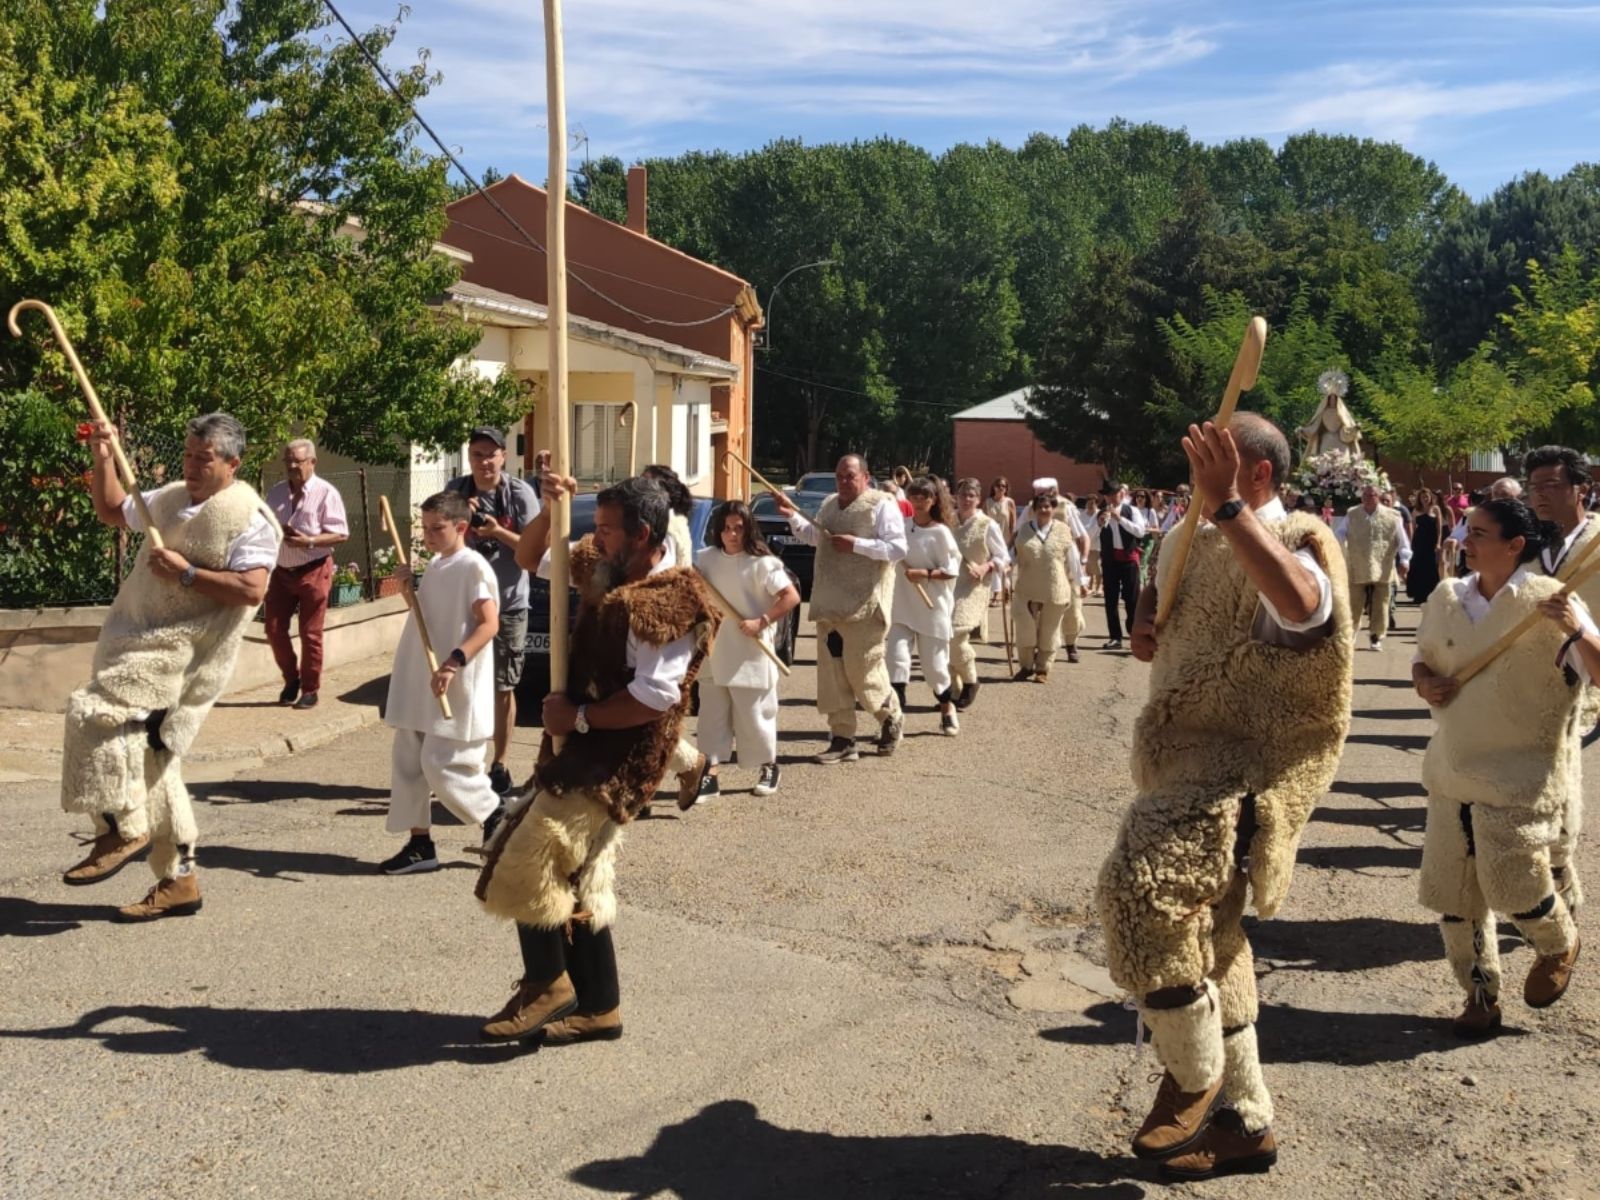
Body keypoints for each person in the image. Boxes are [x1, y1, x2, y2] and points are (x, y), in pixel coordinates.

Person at [1097, 413, 1352, 1181]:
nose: (1193, 476)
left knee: (1140, 893)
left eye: (1213, 464)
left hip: (1247, 772)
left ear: (1259, 477)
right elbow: (1171, 625)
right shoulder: (1186, 536)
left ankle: (1194, 1074)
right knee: (1216, 941)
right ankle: (1245, 1123)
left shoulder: (1298, 536)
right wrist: (1151, 623)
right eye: (1195, 463)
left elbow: (1308, 612)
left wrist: (1231, 509)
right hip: (1180, 759)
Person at [477, 474, 717, 1045]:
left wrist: (578, 719)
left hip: (619, 757)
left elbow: (656, 699)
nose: (597, 538)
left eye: (607, 530)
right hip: (580, 744)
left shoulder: (670, 602)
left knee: (527, 856)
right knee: (581, 878)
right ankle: (601, 1006)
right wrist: (552, 506)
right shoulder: (610, 564)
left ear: (643, 536)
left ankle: (548, 985)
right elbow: (533, 555)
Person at [61, 413, 281, 920]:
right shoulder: (171, 497)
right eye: (187, 455)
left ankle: (120, 825)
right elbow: (113, 510)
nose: (192, 466)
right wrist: (102, 456)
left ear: (232, 463)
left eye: (203, 459)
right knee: (158, 767)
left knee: (95, 715)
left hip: (183, 657)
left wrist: (187, 574)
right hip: (134, 641)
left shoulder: (249, 516)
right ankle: (180, 881)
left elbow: (253, 589)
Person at [1413, 499, 1589, 1036]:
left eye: (1481, 533)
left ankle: (1560, 943)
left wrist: (1579, 631)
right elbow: (1423, 658)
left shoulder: (1551, 601)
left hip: (1519, 777)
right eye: (1468, 529)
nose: (1466, 539)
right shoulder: (1446, 596)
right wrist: (1423, 681)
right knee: (1453, 898)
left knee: (1514, 885)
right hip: (1451, 769)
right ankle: (1479, 996)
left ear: (1515, 546)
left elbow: (1599, 673)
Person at [378, 491, 504, 875]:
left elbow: (489, 624)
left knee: (443, 763)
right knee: (409, 762)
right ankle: (420, 845)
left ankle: (497, 817)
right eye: (424, 528)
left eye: (437, 528)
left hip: (454, 680)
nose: (429, 535)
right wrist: (405, 589)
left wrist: (454, 662)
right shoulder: (436, 565)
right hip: (420, 678)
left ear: (461, 527)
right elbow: (424, 615)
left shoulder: (473, 567)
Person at [773, 455, 907, 764]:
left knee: (864, 671)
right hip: (830, 605)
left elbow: (898, 549)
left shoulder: (881, 505)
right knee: (832, 677)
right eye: (839, 477)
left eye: (850, 476)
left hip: (865, 605)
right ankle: (843, 739)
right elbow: (815, 538)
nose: (843, 482)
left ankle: (891, 716)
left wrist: (857, 545)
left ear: (865, 477)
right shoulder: (830, 504)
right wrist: (792, 516)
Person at [1526, 444, 1600, 915]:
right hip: (1530, 684)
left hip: (1587, 681)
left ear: (1583, 490)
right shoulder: (1531, 543)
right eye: (1535, 487)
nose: (1541, 496)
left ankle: (1558, 890)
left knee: (1555, 787)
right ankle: (1551, 885)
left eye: (1552, 485)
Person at [447, 427, 540, 796]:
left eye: (490, 454)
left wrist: (497, 531)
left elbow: (534, 552)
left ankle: (499, 764)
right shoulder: (457, 491)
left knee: (504, 686)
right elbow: (441, 541)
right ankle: (463, 761)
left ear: (503, 455)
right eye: (476, 455)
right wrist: (463, 525)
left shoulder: (519, 494)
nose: (484, 462)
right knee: (464, 684)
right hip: (466, 603)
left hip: (509, 604)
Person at [693, 501, 800, 798]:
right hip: (715, 648)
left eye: (738, 528)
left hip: (751, 650)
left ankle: (769, 765)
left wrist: (761, 621)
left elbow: (790, 596)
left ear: (748, 529)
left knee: (754, 714)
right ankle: (710, 773)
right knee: (711, 715)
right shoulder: (705, 560)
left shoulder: (763, 564)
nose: (732, 534)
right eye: (727, 528)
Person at [640, 463, 711, 806]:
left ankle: (688, 763)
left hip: (662, 626)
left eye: (650, 488)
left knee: (650, 713)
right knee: (643, 716)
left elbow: (661, 576)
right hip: (646, 621)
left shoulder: (668, 526)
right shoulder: (655, 522)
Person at [263, 439, 349, 711]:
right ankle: (292, 679)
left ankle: (310, 690)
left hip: (314, 568)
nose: (291, 466)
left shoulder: (326, 493)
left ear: (312, 462)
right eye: (287, 461)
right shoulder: (276, 493)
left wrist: (309, 541)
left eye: (297, 461)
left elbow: (341, 533)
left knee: (310, 632)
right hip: (281, 570)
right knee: (273, 629)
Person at [887, 477, 962, 735]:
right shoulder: (901, 527)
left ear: (934, 501)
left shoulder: (941, 532)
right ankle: (894, 719)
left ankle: (947, 708)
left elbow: (952, 570)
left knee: (934, 668)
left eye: (924, 498)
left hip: (932, 607)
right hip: (901, 606)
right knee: (895, 660)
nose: (918, 503)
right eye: (915, 497)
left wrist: (924, 573)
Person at [949, 478, 1010, 711]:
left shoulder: (987, 524)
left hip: (972, 588)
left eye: (971, 496)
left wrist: (986, 567)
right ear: (956, 496)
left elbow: (1003, 556)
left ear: (978, 499)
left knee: (956, 633)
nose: (966, 500)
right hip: (945, 586)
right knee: (941, 638)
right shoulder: (948, 521)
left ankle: (971, 680)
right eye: (963, 495)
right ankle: (952, 690)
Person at [1011, 492, 1084, 679]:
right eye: (1041, 507)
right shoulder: (1024, 530)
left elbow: (1072, 557)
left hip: (1055, 587)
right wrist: (1003, 578)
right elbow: (1012, 555)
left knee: (1050, 629)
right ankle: (1026, 665)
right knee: (1025, 628)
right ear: (1034, 509)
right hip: (1028, 587)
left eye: (1048, 506)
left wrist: (1080, 581)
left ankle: (1043, 668)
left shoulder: (1063, 530)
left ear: (1053, 509)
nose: (1044, 510)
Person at [1335, 485, 1411, 650]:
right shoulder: (1352, 514)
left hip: (1383, 566)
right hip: (1357, 564)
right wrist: (1340, 549)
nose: (1368, 498)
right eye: (1366, 495)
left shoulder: (1393, 516)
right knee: (1353, 603)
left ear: (1378, 496)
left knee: (1381, 604)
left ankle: (1376, 636)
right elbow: (1339, 534)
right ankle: (1350, 634)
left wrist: (1405, 560)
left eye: (1372, 495)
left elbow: (1402, 541)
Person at [1097, 480, 1148, 650]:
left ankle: (1134, 635)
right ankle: (1115, 637)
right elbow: (1089, 535)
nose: (1110, 498)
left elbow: (1140, 531)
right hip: (1110, 560)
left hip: (1128, 559)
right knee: (1110, 600)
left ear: (1122, 494)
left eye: (1113, 494)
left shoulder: (1131, 510)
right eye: (1107, 495)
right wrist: (1099, 524)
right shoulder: (1101, 512)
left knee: (1132, 600)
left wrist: (1120, 520)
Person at [1406, 487, 1444, 604]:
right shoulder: (1416, 511)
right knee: (1418, 566)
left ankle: (1431, 594)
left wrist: (1438, 542)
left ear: (1430, 497)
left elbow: (1439, 528)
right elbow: (1412, 528)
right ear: (1420, 499)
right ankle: (1419, 594)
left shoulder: (1436, 509)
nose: (1425, 499)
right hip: (1419, 542)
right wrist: (1410, 543)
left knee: (1431, 567)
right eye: (1423, 497)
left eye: (1427, 496)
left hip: (1431, 542)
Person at [1083, 496, 1104, 595]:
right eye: (1088, 503)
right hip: (1085, 544)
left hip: (1097, 544)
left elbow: (1099, 528)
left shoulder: (1099, 514)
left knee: (1096, 566)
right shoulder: (1082, 514)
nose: (1090, 505)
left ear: (1096, 504)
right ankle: (1090, 586)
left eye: (1092, 503)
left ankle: (1099, 587)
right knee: (1088, 567)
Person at [985, 477, 1017, 541]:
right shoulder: (987, 502)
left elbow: (1013, 523)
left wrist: (1012, 539)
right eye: (998, 485)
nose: (1001, 488)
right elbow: (983, 521)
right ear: (994, 487)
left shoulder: (1009, 502)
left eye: (1003, 486)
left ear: (1006, 488)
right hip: (991, 538)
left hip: (1005, 538)